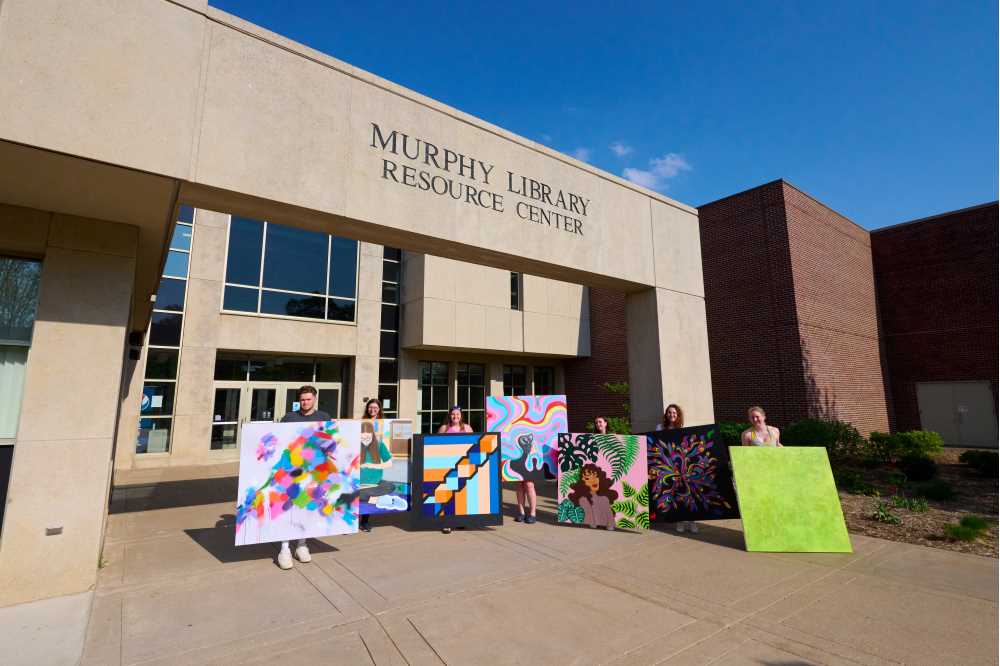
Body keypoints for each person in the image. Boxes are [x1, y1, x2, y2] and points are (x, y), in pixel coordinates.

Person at [276, 385, 332, 570]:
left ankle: (301, 544)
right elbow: (281, 443)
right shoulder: (289, 418)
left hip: (313, 471)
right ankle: (284, 548)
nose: (305, 402)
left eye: (308, 399)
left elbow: (330, 443)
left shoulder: (324, 418)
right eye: (302, 400)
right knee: (288, 508)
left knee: (306, 507)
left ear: (314, 399)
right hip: (292, 471)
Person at [655, 403, 698, 534]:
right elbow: (657, 444)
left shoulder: (683, 428)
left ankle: (692, 522)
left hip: (682, 464)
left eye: (674, 413)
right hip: (668, 465)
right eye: (669, 412)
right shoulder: (660, 427)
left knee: (687, 492)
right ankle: (680, 521)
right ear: (666, 415)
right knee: (675, 493)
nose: (671, 415)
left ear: (678, 415)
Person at [437, 406, 474, 533]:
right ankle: (446, 522)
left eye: (457, 414)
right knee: (447, 494)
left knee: (461, 494)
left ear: (461, 415)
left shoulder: (467, 428)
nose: (455, 417)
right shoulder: (444, 428)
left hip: (464, 465)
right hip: (448, 466)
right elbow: (436, 446)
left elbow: (474, 444)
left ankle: (459, 521)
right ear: (449, 415)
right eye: (453, 414)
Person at [359, 399, 391, 533]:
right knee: (357, 495)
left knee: (370, 496)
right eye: (370, 407)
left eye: (375, 408)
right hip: (361, 463)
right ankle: (352, 521)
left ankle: (364, 521)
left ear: (379, 409)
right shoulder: (360, 423)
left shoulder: (384, 423)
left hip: (375, 460)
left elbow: (388, 458)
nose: (373, 410)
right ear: (367, 409)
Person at [568, 464, 618, 530]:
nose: (593, 481)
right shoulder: (583, 499)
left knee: (603, 499)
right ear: (583, 481)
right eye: (588, 478)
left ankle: (603, 523)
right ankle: (599, 523)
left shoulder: (604, 498)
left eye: (595, 476)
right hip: (591, 516)